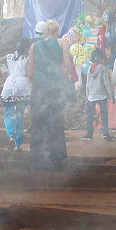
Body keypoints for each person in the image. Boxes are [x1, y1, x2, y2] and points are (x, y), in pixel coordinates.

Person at [27, 19, 72, 169]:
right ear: (58, 31)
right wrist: (66, 82)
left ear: (45, 31)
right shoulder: (62, 43)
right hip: (56, 86)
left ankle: (38, 157)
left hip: (39, 86)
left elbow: (30, 71)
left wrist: (35, 85)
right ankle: (58, 157)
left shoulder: (34, 46)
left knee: (38, 122)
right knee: (58, 121)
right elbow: (67, 67)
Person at [0, 35, 31, 150]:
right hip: (22, 86)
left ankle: (11, 137)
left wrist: (5, 72)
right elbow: (29, 73)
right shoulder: (28, 58)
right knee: (20, 116)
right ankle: (18, 145)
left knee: (8, 115)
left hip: (9, 86)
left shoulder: (9, 57)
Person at [83, 47, 113, 141]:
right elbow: (106, 82)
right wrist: (111, 95)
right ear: (101, 58)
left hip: (91, 95)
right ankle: (105, 133)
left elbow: (87, 84)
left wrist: (88, 96)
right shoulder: (103, 68)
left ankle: (89, 134)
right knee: (104, 114)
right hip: (102, 95)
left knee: (90, 115)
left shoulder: (89, 69)